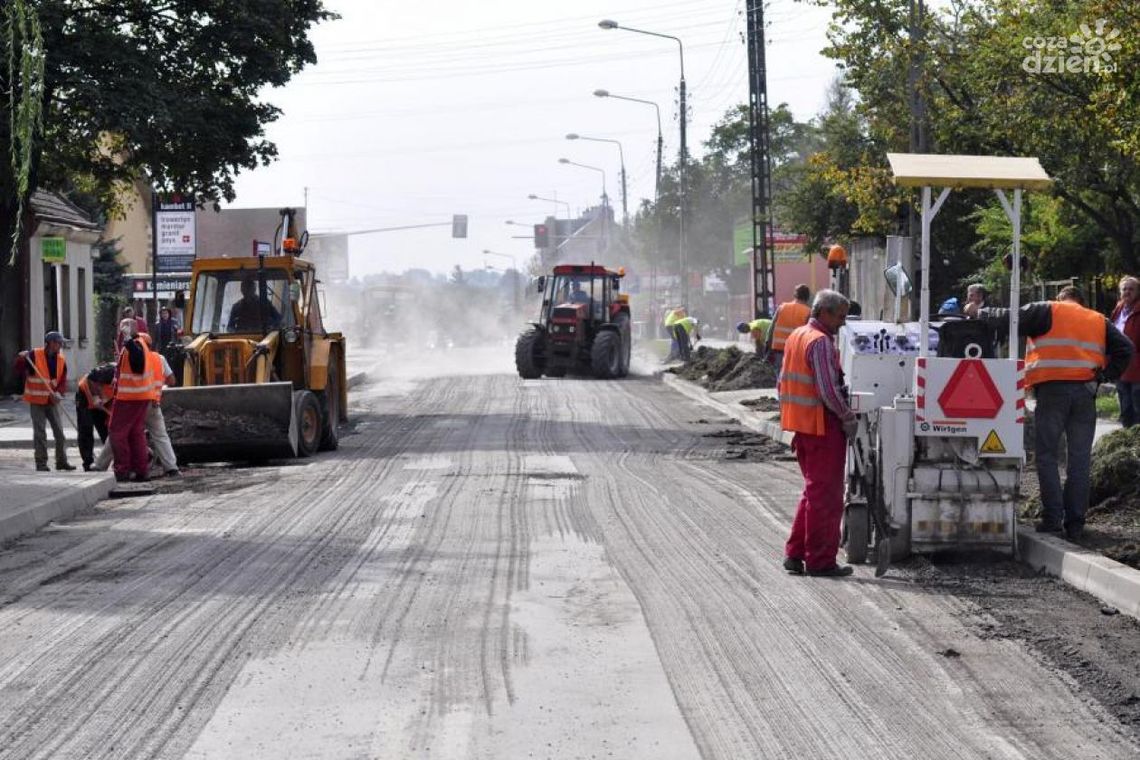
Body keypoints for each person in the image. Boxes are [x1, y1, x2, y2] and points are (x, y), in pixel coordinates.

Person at [979, 286, 1133, 539]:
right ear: (1081, 302)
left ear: (1060, 298)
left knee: (1047, 456)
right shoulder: (1098, 320)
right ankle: (1075, 524)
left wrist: (979, 312)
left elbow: (1009, 316)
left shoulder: (1047, 310)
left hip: (1052, 392)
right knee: (1079, 460)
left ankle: (1052, 519)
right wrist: (1103, 377)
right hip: (1085, 393)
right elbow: (1126, 348)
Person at [779, 290, 857, 578]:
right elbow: (828, 390)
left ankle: (795, 553)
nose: (843, 322)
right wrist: (847, 416)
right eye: (840, 316)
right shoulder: (820, 342)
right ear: (824, 312)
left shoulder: (797, 336)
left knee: (812, 493)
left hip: (802, 426)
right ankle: (820, 561)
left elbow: (781, 383)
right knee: (827, 497)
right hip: (822, 427)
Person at [14, 331, 75, 472]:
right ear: (51, 343)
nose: (61, 346)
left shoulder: (61, 360)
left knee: (60, 433)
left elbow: (62, 380)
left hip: (52, 400)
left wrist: (59, 393)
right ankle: (41, 463)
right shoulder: (34, 355)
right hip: (37, 401)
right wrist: (21, 358)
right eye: (59, 343)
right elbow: (18, 369)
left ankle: (61, 462)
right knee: (40, 433)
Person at [109, 318, 154, 482]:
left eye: (123, 326)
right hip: (140, 396)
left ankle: (122, 470)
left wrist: (127, 340)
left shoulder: (134, 344)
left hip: (129, 397)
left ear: (131, 328)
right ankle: (141, 470)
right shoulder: (138, 343)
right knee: (136, 433)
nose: (121, 330)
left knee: (117, 432)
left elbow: (137, 363)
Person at [1111, 276, 1140, 427]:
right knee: (1125, 407)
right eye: (1124, 289)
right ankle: (1127, 437)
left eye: (1131, 289)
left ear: (1137, 292)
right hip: (1121, 367)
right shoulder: (1118, 309)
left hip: (1137, 368)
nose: (1127, 292)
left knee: (1137, 407)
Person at [75, 363, 115, 471]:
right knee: (86, 428)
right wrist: (95, 396)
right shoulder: (109, 372)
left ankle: (111, 461)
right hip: (85, 395)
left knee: (107, 429)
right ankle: (88, 463)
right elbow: (90, 377)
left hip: (104, 401)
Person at [766, 284, 811, 370]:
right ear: (807, 297)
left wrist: (768, 345)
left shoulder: (782, 307)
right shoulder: (808, 312)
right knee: (792, 374)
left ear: (795, 295)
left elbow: (771, 328)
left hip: (778, 348)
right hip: (796, 350)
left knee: (779, 373)